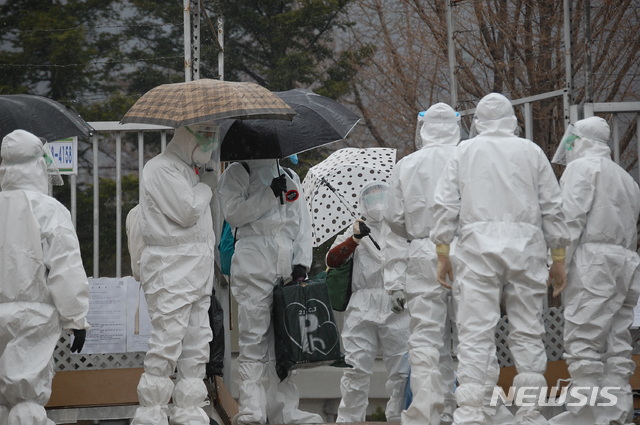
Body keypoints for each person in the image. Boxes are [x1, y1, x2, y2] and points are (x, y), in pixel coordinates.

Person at [430, 92, 570, 425]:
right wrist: (559, 257)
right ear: (512, 120)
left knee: (475, 332)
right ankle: (530, 412)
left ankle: (471, 412)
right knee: (528, 331)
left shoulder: (465, 151)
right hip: (527, 250)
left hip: (477, 251)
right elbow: (552, 205)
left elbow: (445, 204)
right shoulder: (531, 152)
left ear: (477, 121)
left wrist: (442, 251)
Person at [548, 116, 640, 425]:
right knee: (617, 341)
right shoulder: (626, 178)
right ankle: (616, 412)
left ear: (579, 140)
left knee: (583, 339)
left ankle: (585, 415)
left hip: (593, 261)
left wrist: (558, 262)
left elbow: (570, 219)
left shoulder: (582, 168)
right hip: (626, 263)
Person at [216, 159, 323, 425]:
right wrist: (268, 195)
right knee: (254, 340)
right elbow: (233, 214)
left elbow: (302, 223)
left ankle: (285, 411)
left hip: (284, 266)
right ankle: (253, 408)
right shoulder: (238, 172)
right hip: (254, 264)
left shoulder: (288, 175)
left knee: (285, 345)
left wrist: (301, 262)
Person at [0, 129, 90, 425]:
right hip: (33, 316)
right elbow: (65, 268)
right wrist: (76, 318)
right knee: (26, 398)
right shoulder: (49, 210)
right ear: (38, 165)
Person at [132, 125, 216, 425]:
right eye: (205, 134)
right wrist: (206, 186)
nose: (210, 141)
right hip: (171, 270)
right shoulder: (160, 168)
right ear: (187, 136)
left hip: (196, 270)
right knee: (167, 343)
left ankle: (189, 409)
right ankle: (151, 412)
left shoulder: (186, 171)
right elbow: (187, 210)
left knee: (196, 342)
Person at [383, 103, 459, 425]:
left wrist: (394, 279)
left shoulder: (407, 166)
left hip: (421, 252)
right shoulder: (467, 159)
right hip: (465, 251)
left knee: (426, 338)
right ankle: (468, 410)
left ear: (423, 128)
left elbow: (394, 223)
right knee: (470, 335)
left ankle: (427, 413)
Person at [326, 181, 410, 423]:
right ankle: (350, 419)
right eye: (370, 197)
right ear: (362, 202)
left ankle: (399, 417)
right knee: (355, 368)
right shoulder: (355, 229)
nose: (376, 200)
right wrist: (354, 239)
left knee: (401, 370)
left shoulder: (399, 229)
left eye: (380, 194)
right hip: (362, 304)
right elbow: (333, 260)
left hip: (396, 303)